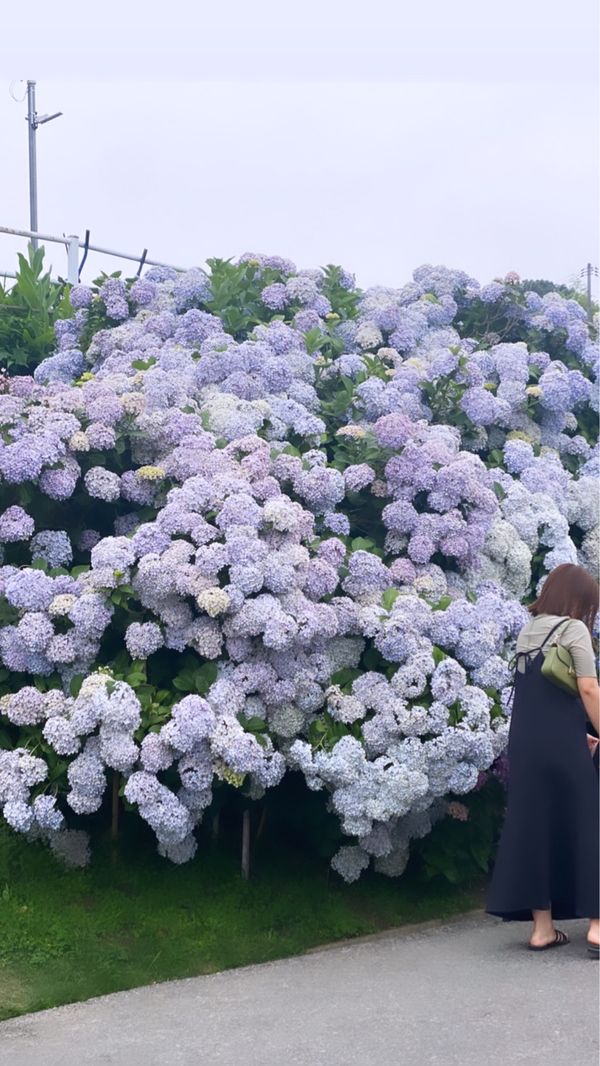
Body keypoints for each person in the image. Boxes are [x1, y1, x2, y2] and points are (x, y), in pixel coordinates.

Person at [486, 563, 600, 956]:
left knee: (535, 826)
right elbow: (587, 688)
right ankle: (598, 928)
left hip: (527, 742)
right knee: (588, 820)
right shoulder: (574, 629)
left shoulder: (528, 629)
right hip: (562, 744)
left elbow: (537, 696)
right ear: (579, 600)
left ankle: (542, 930)